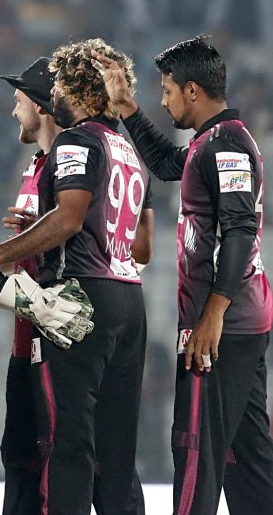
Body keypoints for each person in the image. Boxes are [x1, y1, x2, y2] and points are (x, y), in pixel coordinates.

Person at [0, 39, 152, 515]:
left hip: (83, 296)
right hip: (128, 298)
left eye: (57, 81)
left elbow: (70, 218)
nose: (49, 92)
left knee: (66, 443)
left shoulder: (78, 140)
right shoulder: (127, 147)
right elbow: (143, 246)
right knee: (116, 455)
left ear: (75, 86)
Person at [98, 35, 273, 515]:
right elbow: (164, 164)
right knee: (249, 458)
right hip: (239, 325)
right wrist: (128, 109)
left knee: (194, 449)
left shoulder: (228, 145)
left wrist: (213, 314)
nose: (163, 98)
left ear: (192, 90)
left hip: (221, 328)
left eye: (167, 90)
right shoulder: (209, 143)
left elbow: (239, 230)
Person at [0, 57, 61, 515]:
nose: (13, 112)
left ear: (41, 106)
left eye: (18, 103)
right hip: (25, 337)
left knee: (47, 458)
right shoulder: (35, 164)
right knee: (18, 455)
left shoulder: (69, 165)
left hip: (51, 335)